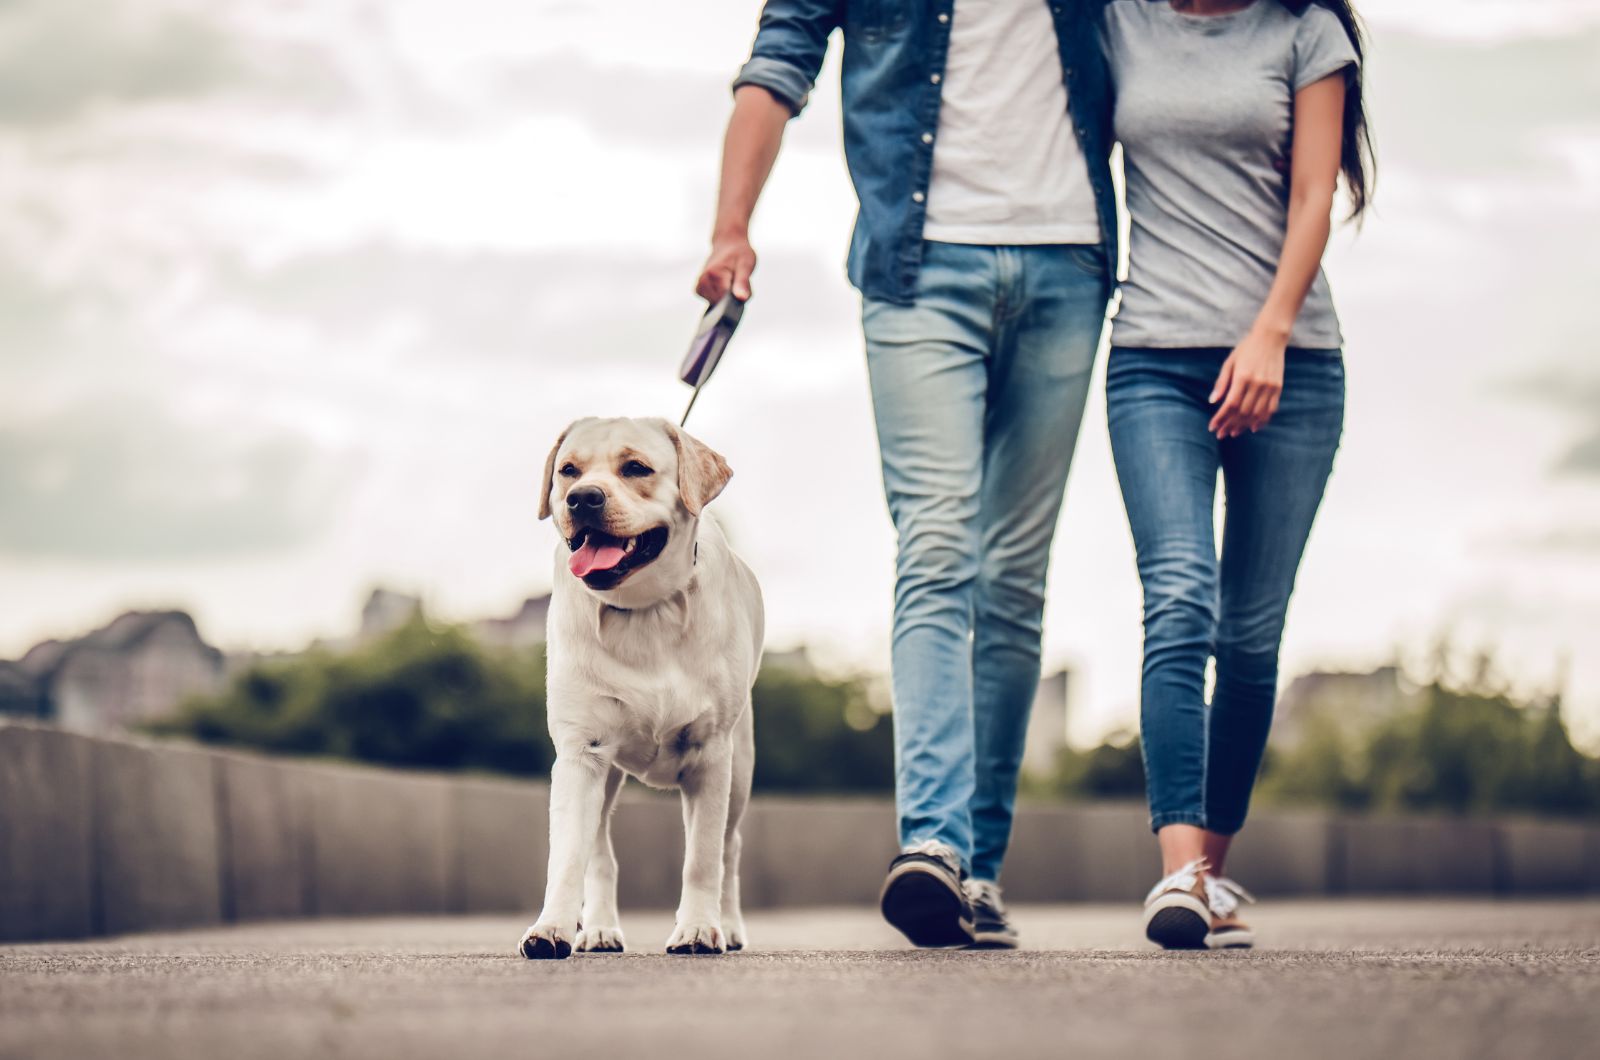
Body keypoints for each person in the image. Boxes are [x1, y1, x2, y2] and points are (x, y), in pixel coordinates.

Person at [698, 2, 1118, 949]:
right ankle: (932, 842)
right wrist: (732, 227)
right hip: (918, 271)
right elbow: (777, 66)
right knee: (936, 543)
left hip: (1069, 268)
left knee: (1013, 580)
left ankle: (982, 868)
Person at [1098, 0, 1373, 949]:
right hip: (1153, 361)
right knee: (1179, 599)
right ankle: (1179, 877)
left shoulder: (1305, 32)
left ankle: (1208, 873)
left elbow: (1313, 197)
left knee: (1251, 638)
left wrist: (1269, 333)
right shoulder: (1117, 20)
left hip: (1291, 365)